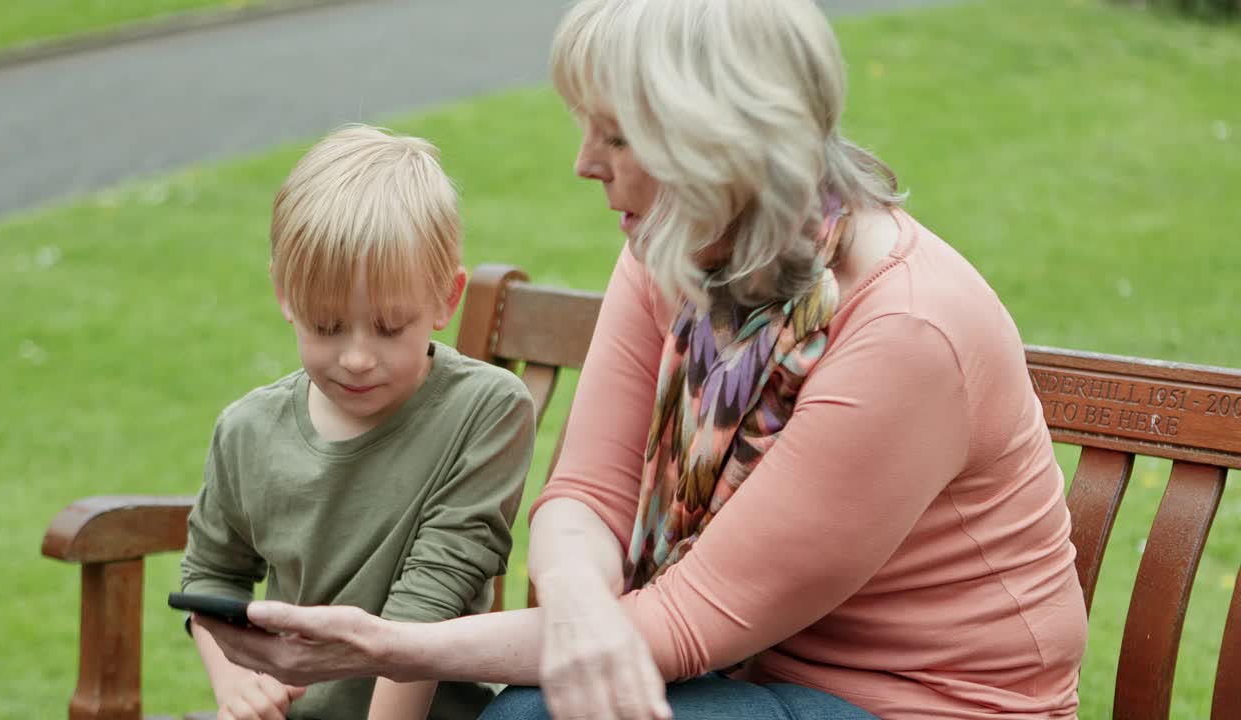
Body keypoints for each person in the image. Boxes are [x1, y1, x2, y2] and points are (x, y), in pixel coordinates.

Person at [195, 1, 1089, 718]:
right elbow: (583, 497)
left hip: (913, 704)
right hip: (732, 678)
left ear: (722, 146)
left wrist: (384, 644)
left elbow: (681, 625)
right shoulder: (674, 253)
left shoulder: (904, 331)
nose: (584, 163)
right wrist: (582, 606)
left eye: (617, 138)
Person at [179, 124, 535, 720]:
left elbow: (431, 603)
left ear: (448, 300)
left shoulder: (486, 410)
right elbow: (212, 574)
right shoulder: (247, 430)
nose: (356, 358)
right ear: (284, 294)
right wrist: (237, 683)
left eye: (390, 327)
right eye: (326, 325)